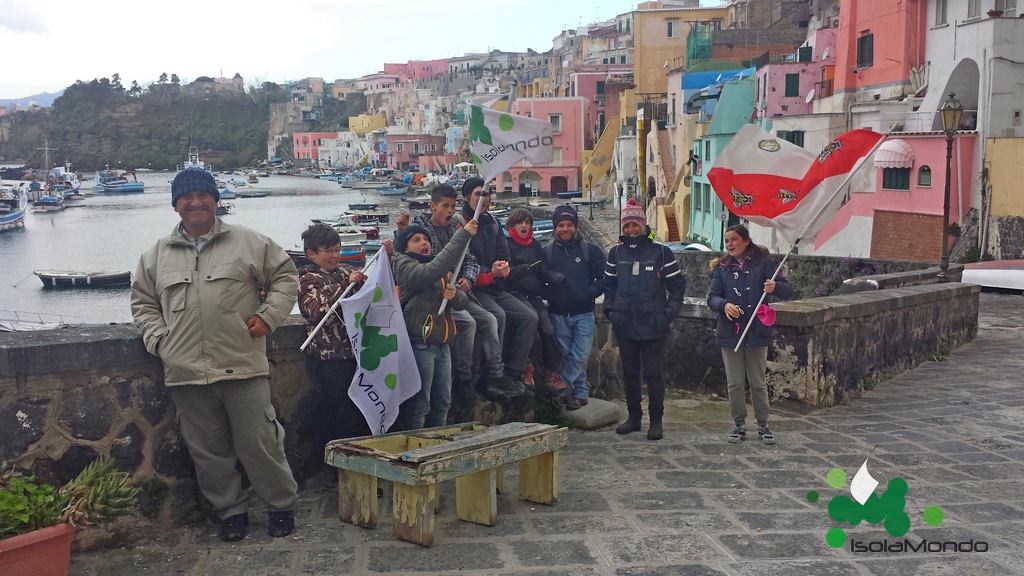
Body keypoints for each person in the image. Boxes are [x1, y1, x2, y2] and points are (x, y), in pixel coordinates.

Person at [131, 166, 298, 542]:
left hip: (241, 365)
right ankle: (231, 512)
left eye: (202, 195)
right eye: (186, 197)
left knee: (261, 444)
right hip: (187, 372)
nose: (195, 202)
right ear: (176, 205)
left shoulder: (248, 241)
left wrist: (269, 317)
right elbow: (143, 302)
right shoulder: (155, 255)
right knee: (208, 453)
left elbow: (286, 277)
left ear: (215, 200)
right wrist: (160, 342)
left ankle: (281, 506)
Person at [395, 184, 520, 410]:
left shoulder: (456, 226)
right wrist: (400, 231)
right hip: (433, 298)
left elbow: (469, 259)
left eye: (453, 206)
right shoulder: (421, 227)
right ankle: (464, 380)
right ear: (433, 206)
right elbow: (408, 253)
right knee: (468, 324)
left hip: (457, 292)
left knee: (491, 319)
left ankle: (494, 374)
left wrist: (469, 280)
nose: (450, 211)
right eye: (445, 206)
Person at [604, 198, 686, 440]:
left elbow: (677, 286)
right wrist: (611, 312)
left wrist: (667, 315)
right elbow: (608, 286)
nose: (631, 230)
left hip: (653, 324)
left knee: (653, 372)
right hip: (625, 323)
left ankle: (656, 420)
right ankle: (634, 418)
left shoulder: (661, 252)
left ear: (643, 225)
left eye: (634, 225)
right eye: (626, 226)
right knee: (629, 372)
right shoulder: (615, 253)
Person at [707, 224, 794, 445]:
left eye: (734, 239)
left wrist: (775, 287)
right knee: (734, 382)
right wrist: (724, 305)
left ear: (745, 241)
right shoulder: (723, 268)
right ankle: (739, 424)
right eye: (727, 241)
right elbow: (712, 298)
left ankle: (763, 424)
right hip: (730, 332)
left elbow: (787, 290)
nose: (729, 244)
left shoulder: (764, 264)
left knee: (758, 381)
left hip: (756, 330)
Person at [393, 219, 477, 428]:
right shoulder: (404, 265)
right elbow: (429, 273)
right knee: (420, 404)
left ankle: (436, 447)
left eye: (426, 239)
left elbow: (462, 302)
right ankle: (414, 449)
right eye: (416, 240)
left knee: (442, 403)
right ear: (405, 247)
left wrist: (455, 294)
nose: (424, 243)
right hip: (420, 345)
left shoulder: (439, 269)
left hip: (443, 344)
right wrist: (462, 236)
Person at [456, 178, 538, 391]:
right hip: (475, 290)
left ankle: (514, 371)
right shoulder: (459, 223)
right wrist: (489, 274)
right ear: (467, 197)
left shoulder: (492, 222)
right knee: (498, 316)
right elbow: (464, 263)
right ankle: (491, 374)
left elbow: (504, 253)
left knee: (529, 317)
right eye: (478, 194)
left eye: (486, 194)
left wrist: (504, 267)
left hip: (496, 287)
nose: (483, 199)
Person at [296, 223, 371, 456]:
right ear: (311, 253)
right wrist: (347, 287)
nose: (335, 255)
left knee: (357, 412)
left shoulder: (343, 271)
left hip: (355, 352)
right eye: (328, 250)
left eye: (337, 249)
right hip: (330, 358)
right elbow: (320, 314)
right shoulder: (307, 280)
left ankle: (357, 460)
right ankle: (335, 464)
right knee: (336, 413)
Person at [545, 205, 605, 410]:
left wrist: (588, 293)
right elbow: (540, 280)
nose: (565, 229)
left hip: (584, 313)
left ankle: (560, 384)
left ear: (576, 226)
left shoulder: (591, 251)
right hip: (558, 313)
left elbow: (603, 279)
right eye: (561, 225)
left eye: (569, 225)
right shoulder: (548, 253)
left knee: (580, 354)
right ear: (555, 227)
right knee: (567, 355)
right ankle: (578, 393)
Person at [503, 208, 562, 394]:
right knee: (533, 330)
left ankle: (551, 373)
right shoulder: (506, 245)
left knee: (548, 329)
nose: (524, 226)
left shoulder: (535, 246)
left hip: (534, 294)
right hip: (516, 293)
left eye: (527, 222)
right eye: (520, 222)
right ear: (512, 225)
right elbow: (506, 274)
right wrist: (525, 269)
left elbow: (542, 270)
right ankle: (526, 368)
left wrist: (555, 279)